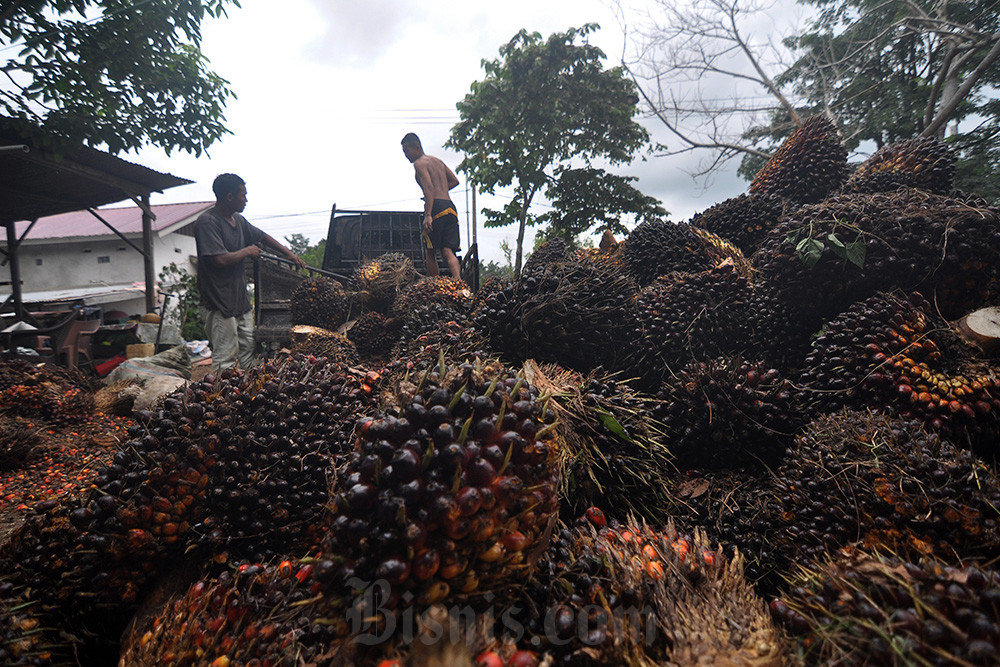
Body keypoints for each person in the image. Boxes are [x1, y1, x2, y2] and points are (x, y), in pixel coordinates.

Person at [194, 173, 305, 373]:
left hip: (240, 301)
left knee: (249, 351)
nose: (246, 200)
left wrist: (289, 254)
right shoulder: (208, 222)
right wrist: (247, 251)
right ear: (229, 197)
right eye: (243, 195)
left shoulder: (239, 220)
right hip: (218, 302)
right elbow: (218, 260)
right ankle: (222, 399)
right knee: (226, 355)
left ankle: (249, 393)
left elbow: (262, 236)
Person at [401, 133, 463, 280]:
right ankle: (458, 281)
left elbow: (428, 187)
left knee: (430, 250)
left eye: (407, 151)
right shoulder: (438, 161)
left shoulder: (419, 163)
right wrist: (439, 192)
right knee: (447, 250)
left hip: (436, 208)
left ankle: (435, 284)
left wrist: (428, 214)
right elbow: (454, 181)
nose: (406, 156)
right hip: (450, 207)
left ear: (417, 146)